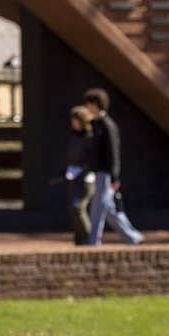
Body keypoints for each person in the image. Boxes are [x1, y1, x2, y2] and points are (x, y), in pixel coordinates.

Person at [82, 87, 145, 245]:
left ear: (95, 104)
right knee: (108, 209)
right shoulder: (96, 125)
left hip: (105, 173)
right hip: (99, 172)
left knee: (97, 209)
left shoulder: (107, 126)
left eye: (89, 103)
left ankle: (93, 241)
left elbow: (113, 152)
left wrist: (114, 176)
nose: (87, 107)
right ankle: (132, 237)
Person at [65, 106, 96, 245]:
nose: (72, 122)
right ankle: (79, 240)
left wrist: (81, 172)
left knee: (77, 206)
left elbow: (91, 160)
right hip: (73, 177)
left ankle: (90, 238)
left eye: (75, 119)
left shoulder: (89, 137)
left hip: (85, 179)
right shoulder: (74, 136)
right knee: (73, 208)